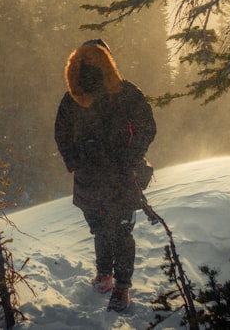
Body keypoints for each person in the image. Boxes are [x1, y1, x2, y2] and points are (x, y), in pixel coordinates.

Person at [54, 39, 157, 313]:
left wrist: (132, 157)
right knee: (100, 226)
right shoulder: (73, 96)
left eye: (97, 57)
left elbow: (148, 125)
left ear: (107, 60)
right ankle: (104, 275)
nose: (91, 62)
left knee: (122, 230)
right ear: (79, 60)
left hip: (122, 175)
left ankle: (122, 287)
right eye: (86, 58)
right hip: (89, 178)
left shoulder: (125, 92)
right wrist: (74, 160)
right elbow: (61, 132)